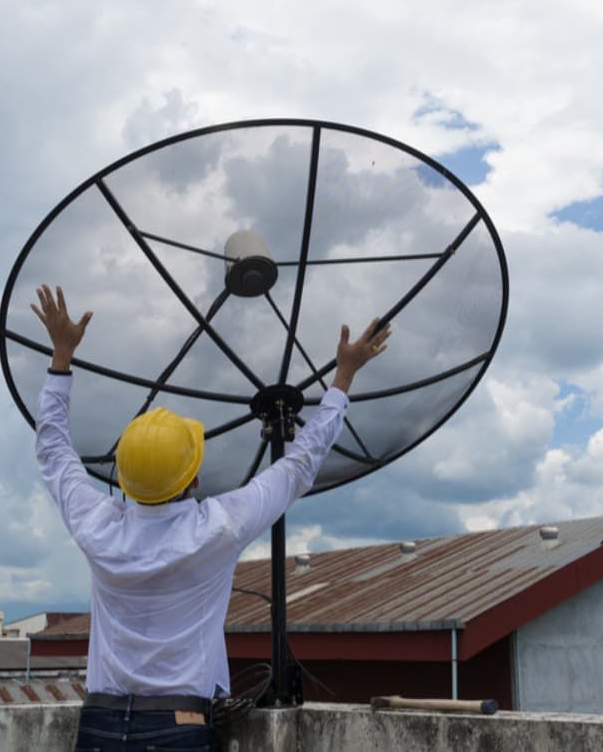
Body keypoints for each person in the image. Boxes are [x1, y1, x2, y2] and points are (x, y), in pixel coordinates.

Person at [31, 284, 390, 752]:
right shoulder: (216, 528)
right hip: (177, 726)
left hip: (98, 723)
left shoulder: (97, 525)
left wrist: (61, 357)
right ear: (194, 479)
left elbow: (53, 450)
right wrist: (342, 378)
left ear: (123, 477)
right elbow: (298, 466)